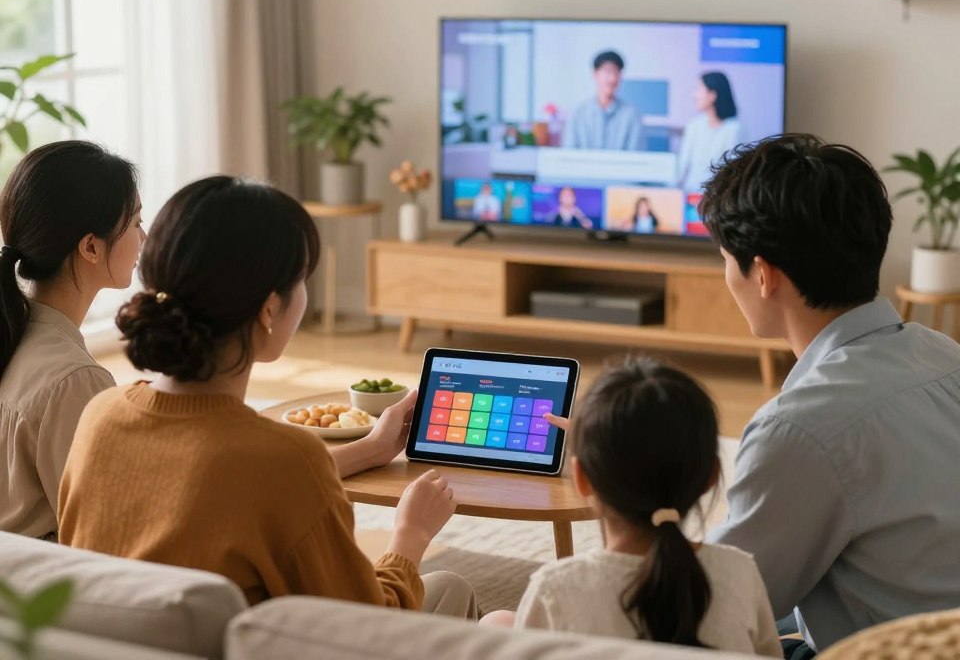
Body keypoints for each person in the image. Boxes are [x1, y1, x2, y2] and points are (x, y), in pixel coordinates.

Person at [59, 176, 476, 618]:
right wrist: (411, 533)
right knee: (450, 586)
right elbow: (363, 626)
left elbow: (225, 482)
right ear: (270, 309)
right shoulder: (286, 461)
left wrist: (370, 450)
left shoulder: (100, 416)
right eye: (302, 278)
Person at [698, 134, 960, 655]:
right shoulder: (945, 356)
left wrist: (630, 492)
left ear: (764, 275)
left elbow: (716, 607)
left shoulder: (800, 429)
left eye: (727, 258)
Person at [483, 359, 780, 656]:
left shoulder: (555, 589)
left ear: (582, 480)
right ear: (712, 477)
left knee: (495, 624)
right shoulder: (740, 572)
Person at [0, 140, 144, 540]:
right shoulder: (74, 380)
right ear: (91, 247)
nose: (143, 239)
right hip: (45, 594)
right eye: (135, 223)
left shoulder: (15, 336)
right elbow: (107, 534)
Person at [676, 72, 746, 192]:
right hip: (691, 198)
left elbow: (734, 170)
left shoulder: (734, 129)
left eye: (699, 89)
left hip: (719, 198)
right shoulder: (694, 126)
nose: (695, 95)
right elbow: (682, 168)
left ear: (712, 95)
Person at [563, 51, 645, 152]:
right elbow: (569, 154)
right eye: (607, 71)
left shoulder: (632, 115)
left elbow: (637, 159)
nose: (612, 78)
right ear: (595, 74)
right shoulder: (578, 113)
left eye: (616, 72)